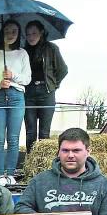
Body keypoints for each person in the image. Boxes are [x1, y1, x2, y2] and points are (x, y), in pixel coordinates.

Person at [0, 20, 31, 185]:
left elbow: (27, 79)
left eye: (14, 31)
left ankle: (11, 174)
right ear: (2, 32)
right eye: (7, 30)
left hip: (16, 96)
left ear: (18, 33)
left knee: (13, 138)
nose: (11, 34)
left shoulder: (22, 53)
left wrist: (13, 76)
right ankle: (0, 174)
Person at [23, 20, 69, 153]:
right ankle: (30, 159)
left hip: (46, 91)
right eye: (28, 34)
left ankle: (42, 161)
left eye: (34, 33)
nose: (31, 37)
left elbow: (63, 70)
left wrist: (54, 84)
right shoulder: (23, 50)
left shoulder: (51, 48)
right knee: (30, 131)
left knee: (44, 132)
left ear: (41, 33)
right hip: (28, 92)